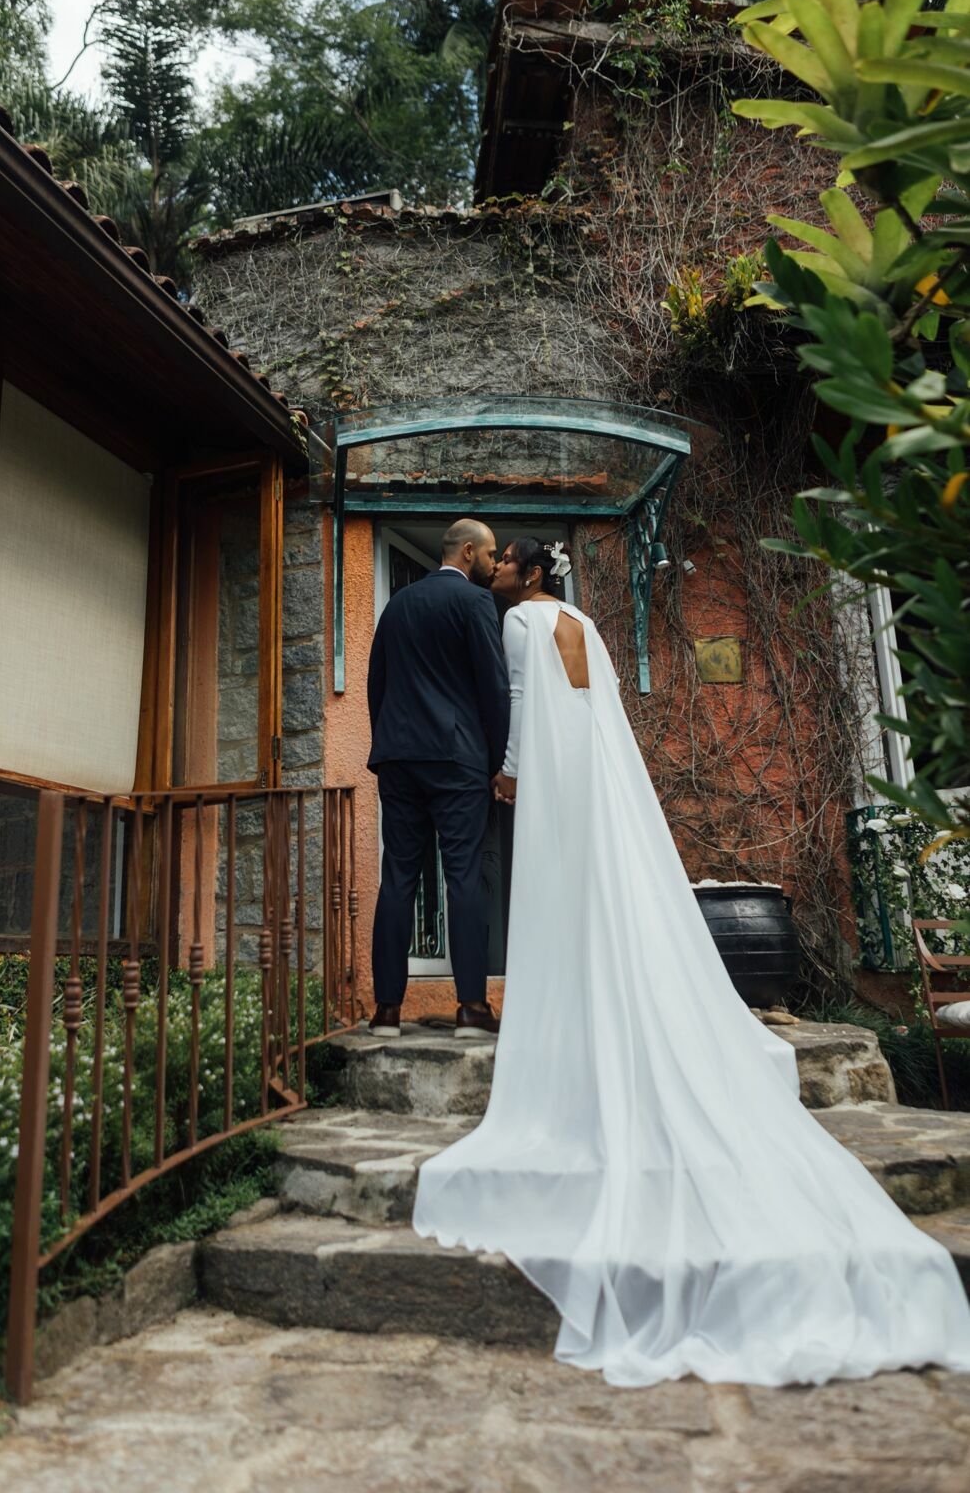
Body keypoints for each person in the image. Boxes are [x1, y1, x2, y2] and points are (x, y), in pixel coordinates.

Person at [413, 535, 970, 1388]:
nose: (493, 573)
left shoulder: (521, 621)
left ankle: (571, 1016)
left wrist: (512, 772)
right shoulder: (581, 620)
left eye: (502, 563)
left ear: (525, 572)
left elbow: (524, 701)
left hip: (554, 782)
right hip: (596, 781)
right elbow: (590, 706)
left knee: (560, 899)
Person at [366, 518, 510, 1040]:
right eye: (491, 554)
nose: (495, 564)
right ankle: (471, 1007)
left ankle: (386, 1011)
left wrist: (389, 745)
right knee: (464, 876)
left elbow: (375, 682)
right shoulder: (475, 603)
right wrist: (495, 761)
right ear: (468, 552)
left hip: (400, 758)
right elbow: (493, 688)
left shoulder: (397, 605)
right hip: (457, 760)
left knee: (399, 878)